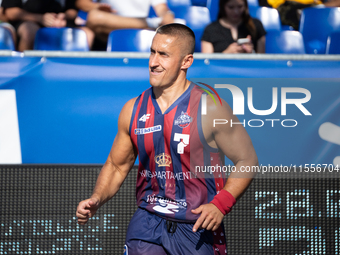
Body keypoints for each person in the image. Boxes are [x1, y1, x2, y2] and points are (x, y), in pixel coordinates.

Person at [76, 23, 258, 254]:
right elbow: (116, 165)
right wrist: (96, 198)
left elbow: (247, 160)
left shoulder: (210, 107)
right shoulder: (133, 109)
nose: (153, 62)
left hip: (196, 228)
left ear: (186, 62)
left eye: (163, 55)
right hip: (147, 223)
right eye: (152, 52)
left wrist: (220, 205)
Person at [75, 0, 176, 50]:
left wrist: (167, 15)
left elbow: (162, 9)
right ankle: (150, 23)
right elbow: (81, 2)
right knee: (95, 17)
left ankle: (149, 24)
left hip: (138, 34)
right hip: (107, 29)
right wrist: (98, 6)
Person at [0, 0, 87, 51]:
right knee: (30, 31)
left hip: (58, 23)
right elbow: (10, 12)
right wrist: (40, 18)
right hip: (26, 22)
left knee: (86, 34)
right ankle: (24, 70)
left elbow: (72, 11)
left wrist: (63, 17)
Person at [201, 0, 266, 54]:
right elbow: (207, 61)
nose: (236, 11)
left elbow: (262, 59)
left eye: (240, 6)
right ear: (223, 7)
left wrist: (251, 52)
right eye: (231, 7)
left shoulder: (256, 25)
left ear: (245, 6)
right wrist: (226, 53)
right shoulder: (211, 29)